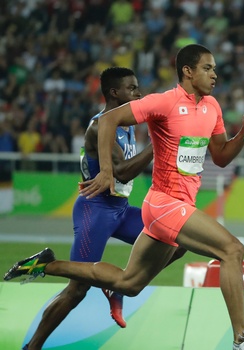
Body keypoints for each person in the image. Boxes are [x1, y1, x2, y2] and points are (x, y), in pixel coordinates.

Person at [4, 44, 244, 350]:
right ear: (187, 72)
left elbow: (220, 157)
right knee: (232, 250)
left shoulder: (212, 107)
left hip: (170, 206)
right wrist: (108, 172)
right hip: (163, 203)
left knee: (129, 283)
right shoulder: (163, 102)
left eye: (215, 68)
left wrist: (243, 132)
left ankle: (45, 265)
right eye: (208, 68)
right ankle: (243, 338)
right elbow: (107, 121)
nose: (215, 74)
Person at [21, 67, 187, 350]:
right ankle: (32, 344)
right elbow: (121, 172)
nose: (139, 93)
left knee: (179, 239)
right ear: (114, 93)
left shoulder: (128, 123)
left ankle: (118, 284)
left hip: (121, 210)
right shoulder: (100, 126)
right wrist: (160, 145)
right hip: (95, 210)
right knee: (77, 290)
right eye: (132, 88)